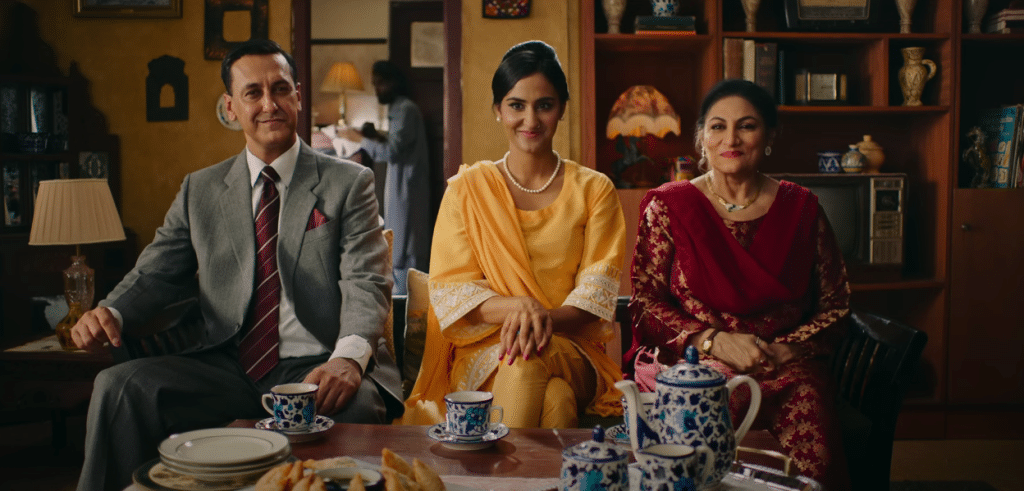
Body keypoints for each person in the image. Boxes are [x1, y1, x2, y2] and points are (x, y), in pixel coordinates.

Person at [70, 39, 403, 491]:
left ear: (299, 96)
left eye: (281, 89)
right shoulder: (200, 190)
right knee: (119, 386)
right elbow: (156, 272)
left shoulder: (349, 183)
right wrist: (110, 311)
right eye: (253, 93)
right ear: (230, 107)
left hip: (316, 365)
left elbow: (367, 278)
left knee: (359, 405)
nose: (270, 104)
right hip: (227, 365)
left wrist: (348, 359)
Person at [624, 79, 851, 489]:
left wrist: (785, 349)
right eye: (717, 126)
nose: (731, 138)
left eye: (746, 126)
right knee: (712, 407)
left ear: (769, 137)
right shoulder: (669, 206)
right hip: (698, 364)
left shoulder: (801, 208)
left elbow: (835, 305)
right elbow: (644, 302)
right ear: (701, 138)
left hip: (786, 364)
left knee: (812, 443)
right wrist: (712, 341)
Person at [397, 41, 626, 429]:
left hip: (572, 349)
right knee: (555, 398)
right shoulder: (469, 190)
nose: (530, 119)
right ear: (498, 111)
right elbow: (453, 290)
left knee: (525, 360)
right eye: (516, 105)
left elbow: (595, 296)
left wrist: (539, 318)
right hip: (483, 351)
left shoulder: (594, 190)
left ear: (562, 109)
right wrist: (519, 307)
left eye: (545, 105)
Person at [342, 60, 430, 295]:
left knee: (405, 250)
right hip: (401, 187)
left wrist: (365, 138)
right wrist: (374, 135)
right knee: (399, 246)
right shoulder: (398, 109)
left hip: (408, 190)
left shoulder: (405, 109)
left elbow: (393, 150)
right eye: (375, 84)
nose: (377, 89)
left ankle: (405, 309)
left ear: (394, 83)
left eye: (381, 84)